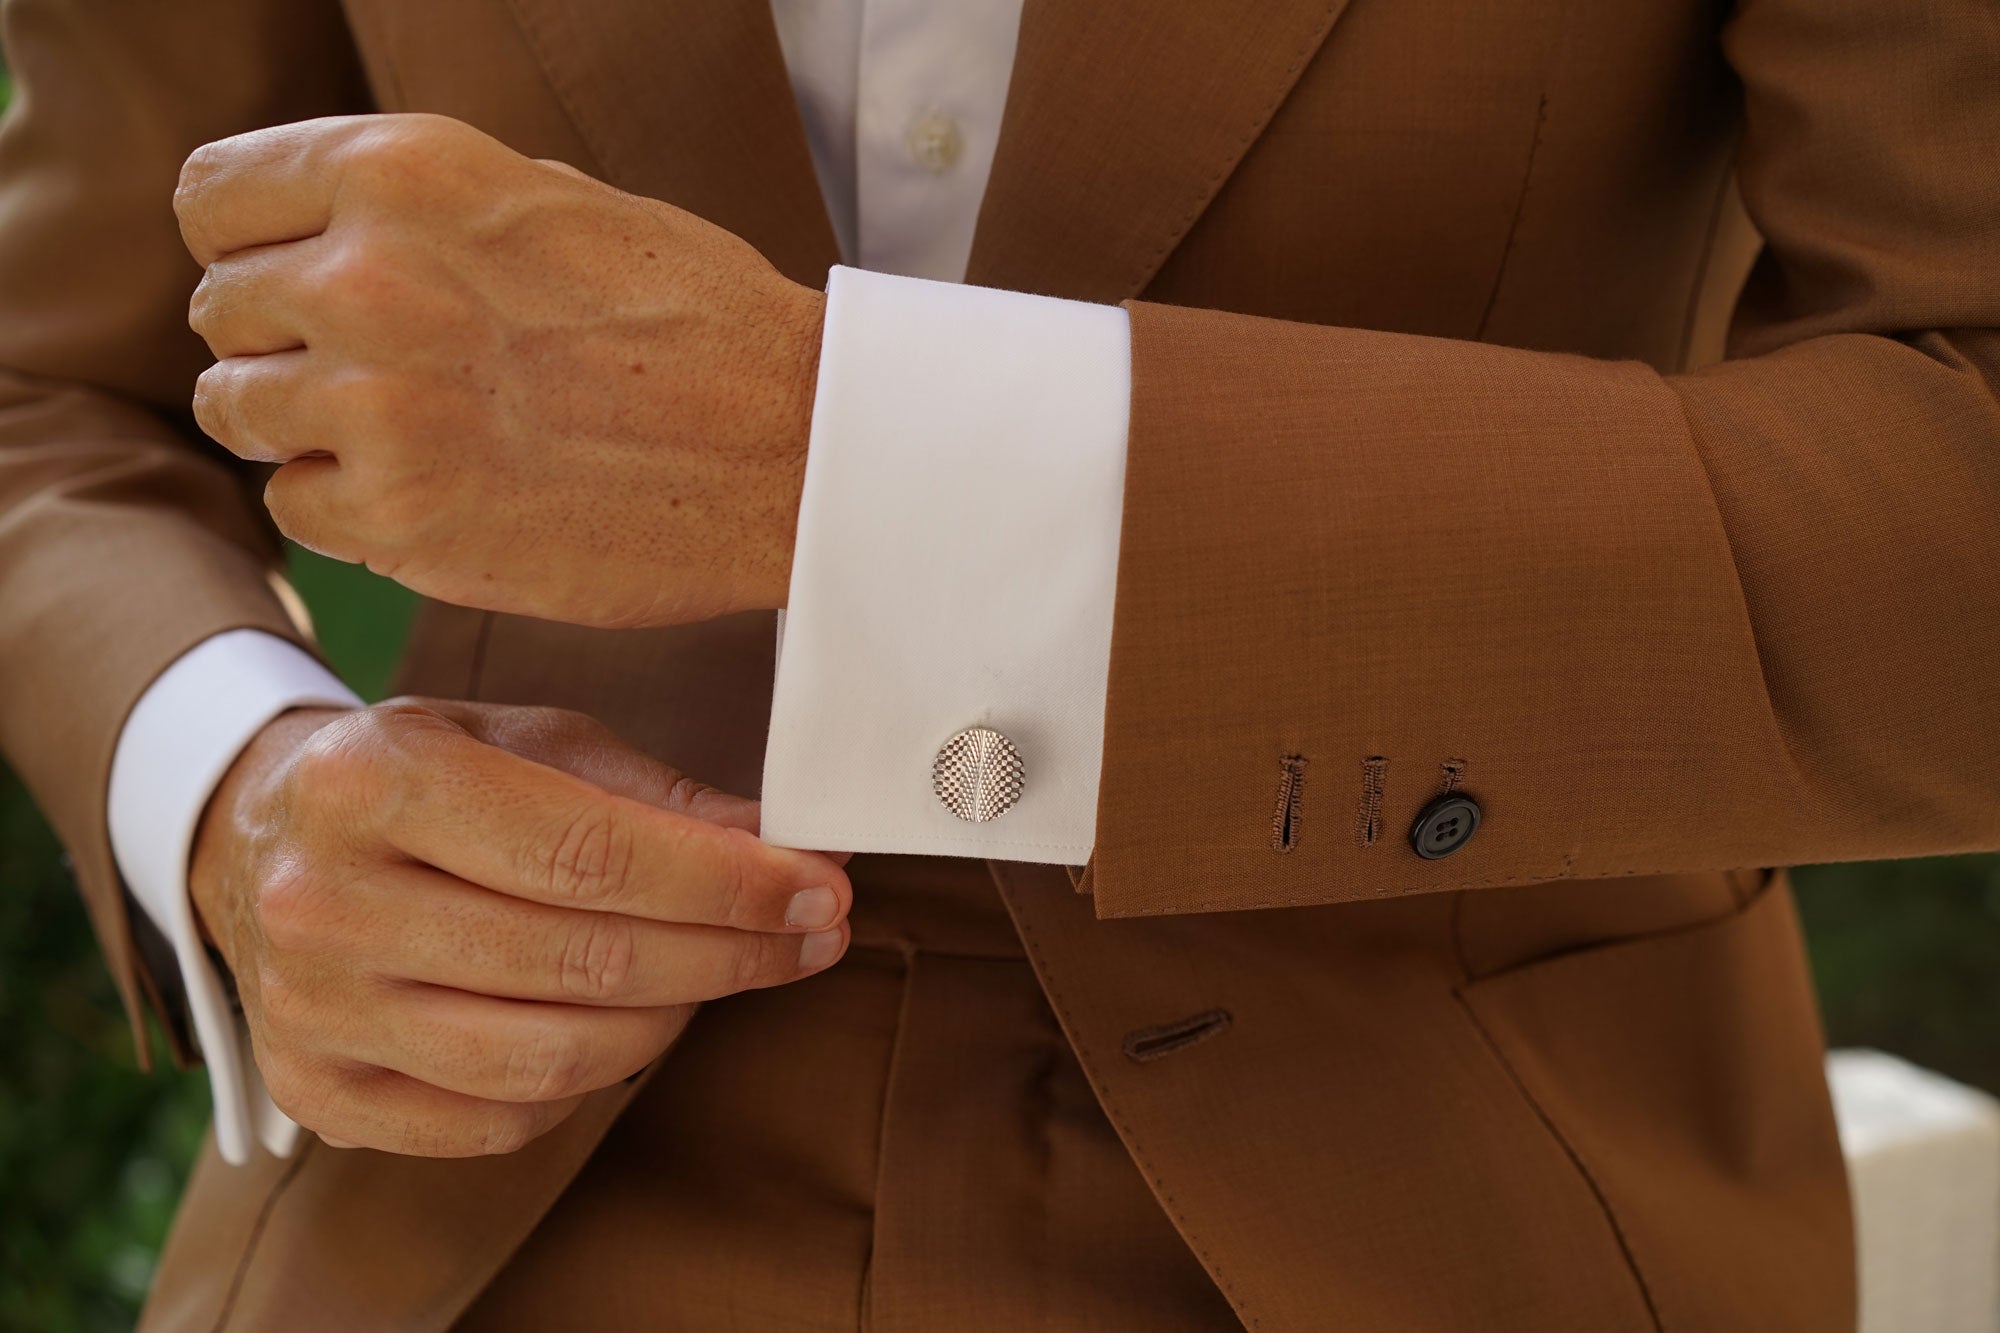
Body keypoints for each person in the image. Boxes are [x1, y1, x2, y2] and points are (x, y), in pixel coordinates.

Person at [3, 0, 1996, 1328]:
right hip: (474, 1229)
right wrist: (235, 790)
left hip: (1463, 1220)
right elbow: (56, 391)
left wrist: (851, 457)